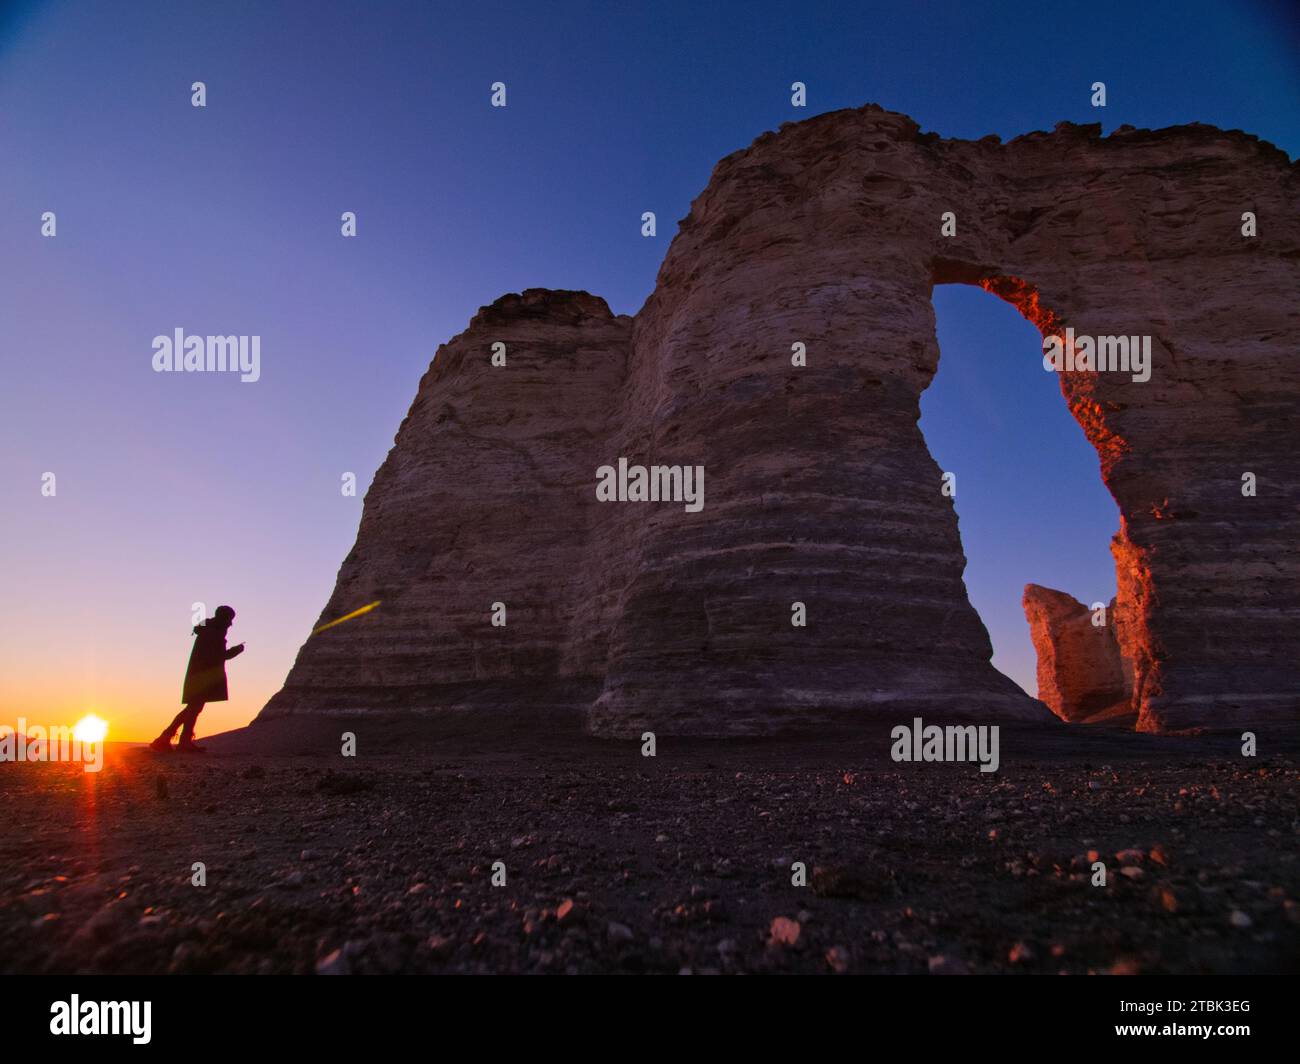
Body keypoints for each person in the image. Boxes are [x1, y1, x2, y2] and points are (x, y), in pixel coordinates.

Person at [150, 605, 245, 754]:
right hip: (203, 676)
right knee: (194, 708)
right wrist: (236, 650)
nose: (230, 624)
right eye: (229, 620)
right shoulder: (214, 632)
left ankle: (170, 739)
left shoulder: (207, 629)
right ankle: (178, 741)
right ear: (224, 618)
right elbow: (218, 656)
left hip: (198, 674)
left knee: (193, 708)